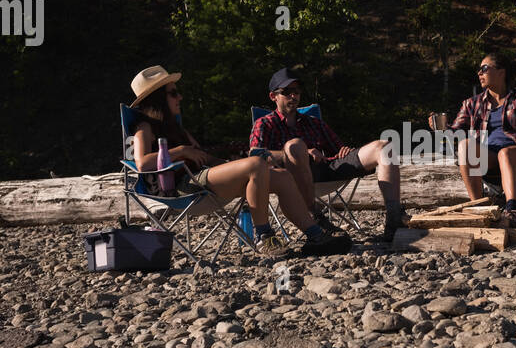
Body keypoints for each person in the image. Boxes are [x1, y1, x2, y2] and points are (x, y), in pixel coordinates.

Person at [128, 65, 351, 256]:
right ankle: (264, 236)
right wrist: (181, 151)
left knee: (281, 176)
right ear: (158, 98)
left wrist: (231, 161)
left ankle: (315, 236)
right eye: (173, 93)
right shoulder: (145, 128)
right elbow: (142, 164)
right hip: (182, 188)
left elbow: (205, 158)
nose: (180, 97)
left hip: (202, 179)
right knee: (256, 165)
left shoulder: (177, 129)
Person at [249, 66, 409, 242]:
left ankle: (394, 218)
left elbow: (338, 150)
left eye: (296, 91)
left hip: (326, 168)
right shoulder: (265, 124)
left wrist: (345, 151)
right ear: (273, 96)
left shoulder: (313, 122)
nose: (293, 96)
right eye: (287, 91)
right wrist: (300, 151)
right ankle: (314, 218)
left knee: (385, 146)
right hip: (292, 178)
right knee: (295, 146)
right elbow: (255, 156)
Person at [430, 52, 516, 226]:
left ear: (501, 72)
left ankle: (512, 210)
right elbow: (454, 132)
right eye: (478, 70)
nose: (479, 73)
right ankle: (479, 209)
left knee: (505, 153)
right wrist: (440, 128)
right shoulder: (471, 104)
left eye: (484, 68)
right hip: (490, 156)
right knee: (465, 145)